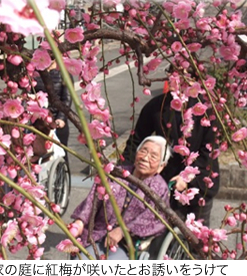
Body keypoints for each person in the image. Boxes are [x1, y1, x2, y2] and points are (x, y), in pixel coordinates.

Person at [121, 86, 220, 227]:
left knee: (196, 236)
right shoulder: (157, 106)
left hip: (199, 180)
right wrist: (124, 171)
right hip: (164, 182)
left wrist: (187, 179)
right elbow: (135, 142)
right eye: (175, 77)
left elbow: (209, 153)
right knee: (158, 230)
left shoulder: (207, 110)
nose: (180, 84)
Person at [70, 135, 172, 260]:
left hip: (126, 245)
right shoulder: (117, 173)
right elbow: (93, 200)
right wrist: (80, 221)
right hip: (97, 233)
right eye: (143, 151)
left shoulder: (159, 188)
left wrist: (123, 230)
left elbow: (154, 219)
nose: (145, 158)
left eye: (153, 156)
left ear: (161, 166)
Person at [33, 60, 73, 164]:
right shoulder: (36, 73)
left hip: (56, 120)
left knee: (61, 153)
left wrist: (61, 118)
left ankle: (63, 176)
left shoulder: (64, 74)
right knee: (38, 152)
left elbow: (66, 100)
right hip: (39, 122)